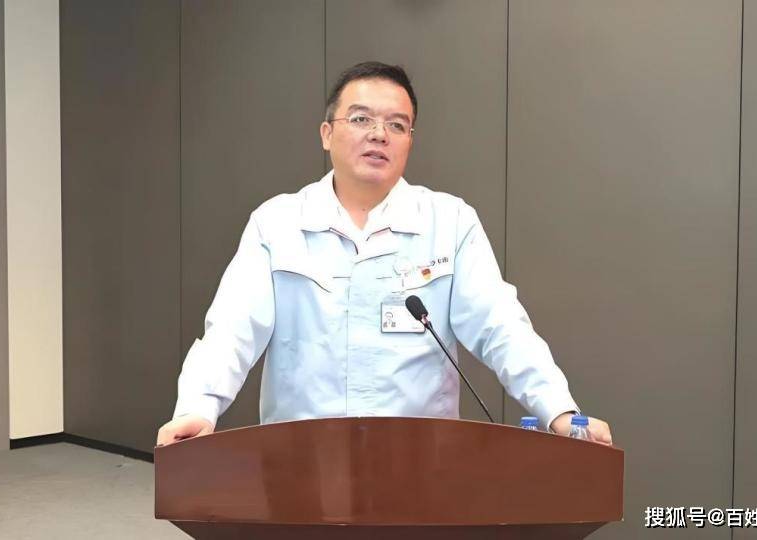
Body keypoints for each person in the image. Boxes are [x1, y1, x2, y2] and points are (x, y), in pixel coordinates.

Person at [157, 61, 613, 446]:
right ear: (326, 134)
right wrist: (197, 408)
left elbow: (502, 327)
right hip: (302, 458)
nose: (379, 134)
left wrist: (558, 409)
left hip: (420, 461)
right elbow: (232, 332)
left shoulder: (449, 222)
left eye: (396, 125)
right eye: (360, 119)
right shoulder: (277, 223)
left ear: (410, 141)